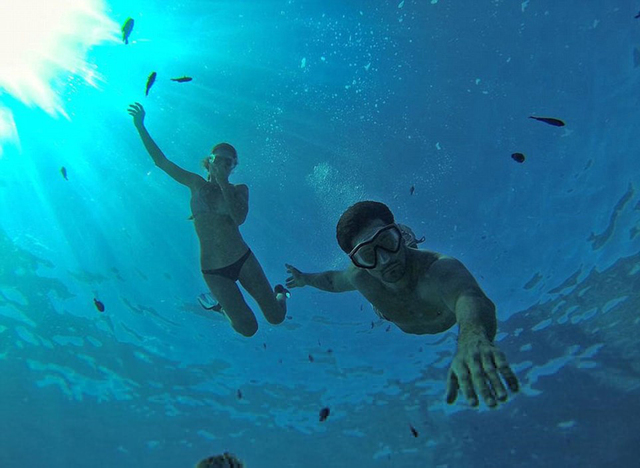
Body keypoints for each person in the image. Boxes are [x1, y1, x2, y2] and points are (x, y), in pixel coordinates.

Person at [285, 201, 519, 408]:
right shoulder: (359, 277)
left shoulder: (439, 269)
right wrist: (304, 279)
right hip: (388, 310)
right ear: (358, 262)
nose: (385, 260)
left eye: (388, 241)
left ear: (397, 235)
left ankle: (401, 241)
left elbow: (469, 296)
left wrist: (473, 336)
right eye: (368, 255)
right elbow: (332, 280)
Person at [127, 102, 289, 337]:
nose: (223, 164)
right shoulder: (196, 184)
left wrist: (224, 183)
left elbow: (239, 218)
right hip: (213, 269)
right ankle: (221, 308)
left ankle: (281, 293)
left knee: (276, 317)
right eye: (218, 159)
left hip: (242, 259)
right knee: (248, 329)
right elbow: (161, 162)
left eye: (229, 162)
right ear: (209, 161)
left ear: (233, 167)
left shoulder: (239, 189)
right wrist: (140, 125)